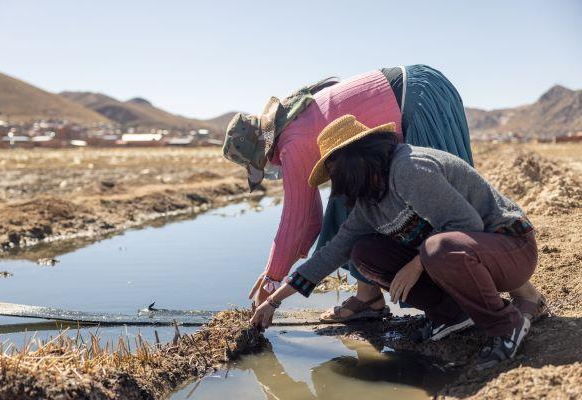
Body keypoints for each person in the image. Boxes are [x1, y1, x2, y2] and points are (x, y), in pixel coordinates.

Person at [223, 65, 546, 322]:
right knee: (357, 229)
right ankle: (403, 303)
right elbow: (335, 247)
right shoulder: (303, 125)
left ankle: (522, 296)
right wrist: (277, 299)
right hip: (408, 112)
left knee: (443, 226)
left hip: (420, 102)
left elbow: (300, 222)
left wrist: (271, 279)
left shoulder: (403, 167)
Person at [250, 115, 540, 370]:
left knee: (435, 249)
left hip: (510, 248)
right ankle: (451, 314)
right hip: (466, 260)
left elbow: (467, 226)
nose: (337, 182)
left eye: (336, 171)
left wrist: (417, 265)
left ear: (356, 158)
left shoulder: (408, 168)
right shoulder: (370, 202)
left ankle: (506, 326)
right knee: (365, 253)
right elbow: (331, 254)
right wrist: (274, 302)